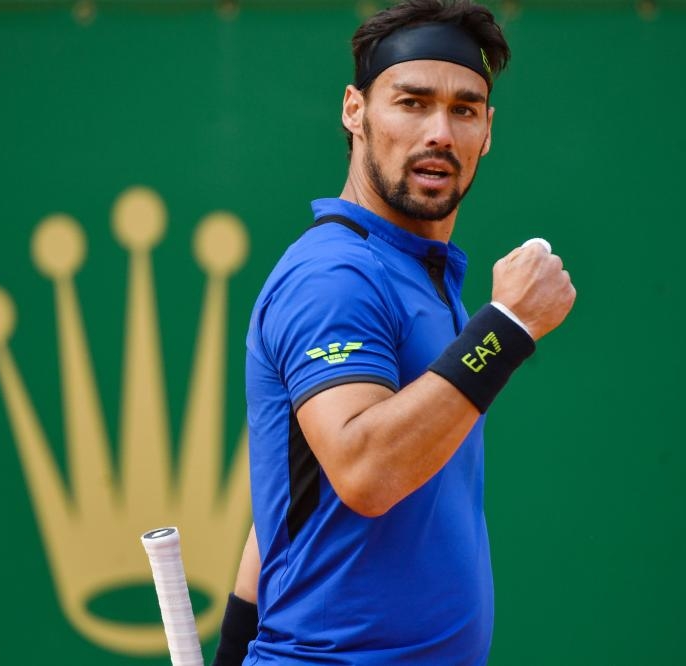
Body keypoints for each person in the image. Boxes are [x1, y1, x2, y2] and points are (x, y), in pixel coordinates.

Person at [212, 0, 576, 663]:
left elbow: (284, 515)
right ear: (355, 111)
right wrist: (509, 326)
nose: (439, 131)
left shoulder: (419, 274)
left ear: (487, 130)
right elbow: (365, 470)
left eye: (464, 109)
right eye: (412, 103)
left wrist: (231, 654)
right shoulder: (336, 275)